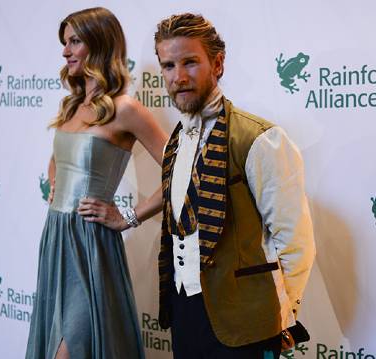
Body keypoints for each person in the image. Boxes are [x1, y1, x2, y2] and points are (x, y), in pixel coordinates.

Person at [93, 12, 315, 359]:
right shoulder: (177, 142)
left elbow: (295, 240)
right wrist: (129, 218)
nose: (178, 77)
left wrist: (282, 317)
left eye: (190, 63)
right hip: (185, 310)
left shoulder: (260, 139)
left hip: (245, 319)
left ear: (218, 63)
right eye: (168, 66)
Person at [25, 7, 167, 359]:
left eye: (74, 41)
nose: (65, 51)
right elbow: (58, 158)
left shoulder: (126, 109)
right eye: (65, 42)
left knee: (73, 348)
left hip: (92, 244)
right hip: (57, 237)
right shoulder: (71, 106)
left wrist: (129, 217)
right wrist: (56, 181)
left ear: (99, 44)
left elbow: (182, 169)